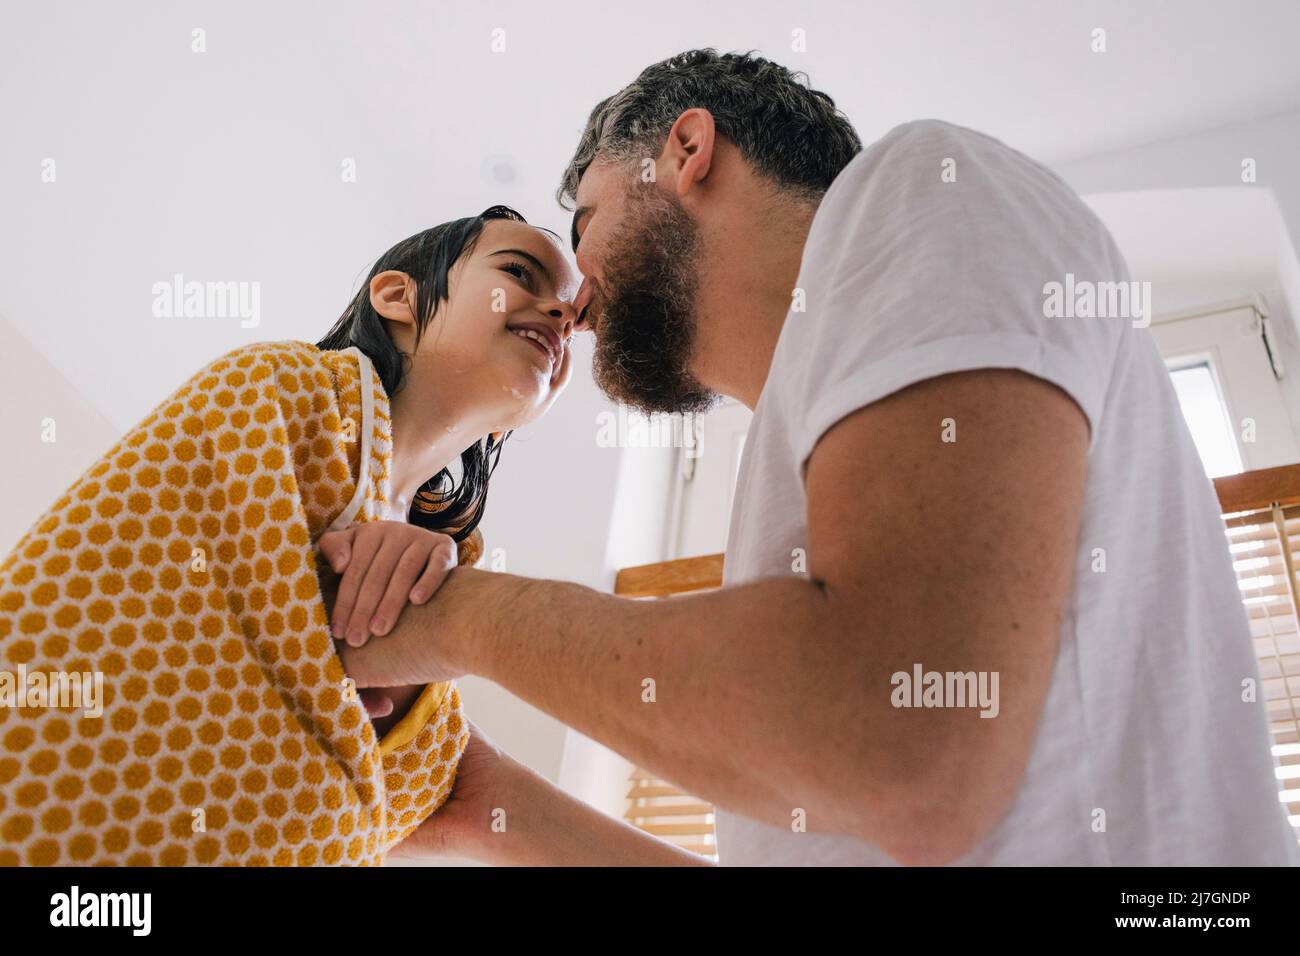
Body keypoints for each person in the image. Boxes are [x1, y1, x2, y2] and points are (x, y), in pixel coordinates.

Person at [336, 50, 1300, 866]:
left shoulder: (924, 184)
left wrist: (460, 616)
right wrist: (474, 799)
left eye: (582, 225)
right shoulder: (789, 474)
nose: (575, 300)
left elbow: (901, 743)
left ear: (687, 150)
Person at [0, 204, 577, 865]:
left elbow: (410, 780)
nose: (559, 313)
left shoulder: (446, 579)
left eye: (571, 311)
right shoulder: (274, 390)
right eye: (519, 273)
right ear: (397, 297)